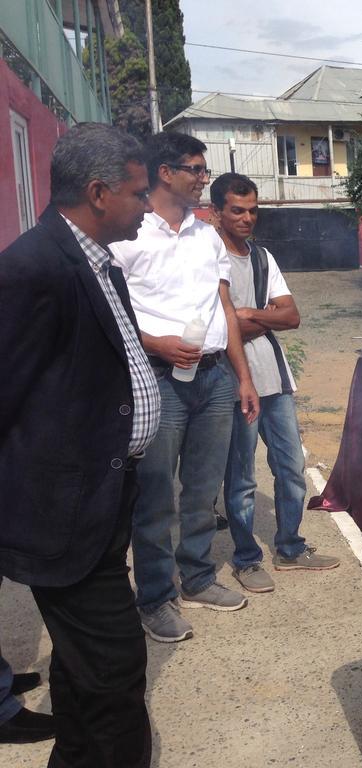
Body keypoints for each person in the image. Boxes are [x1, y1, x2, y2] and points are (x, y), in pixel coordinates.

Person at [0, 122, 157, 765]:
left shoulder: (100, 263)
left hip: (104, 500)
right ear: (98, 192)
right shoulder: (32, 269)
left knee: (82, 664)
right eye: (139, 193)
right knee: (117, 674)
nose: (148, 206)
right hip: (61, 515)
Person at [110, 132, 260, 643]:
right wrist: (157, 344)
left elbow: (225, 309)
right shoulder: (129, 234)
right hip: (159, 380)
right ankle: (154, 597)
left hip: (215, 378)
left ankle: (196, 577)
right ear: (165, 173)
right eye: (195, 169)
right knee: (155, 496)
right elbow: (115, 316)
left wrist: (243, 377)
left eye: (203, 169)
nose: (203, 178)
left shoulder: (206, 236)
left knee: (202, 488)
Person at [210, 172, 340, 592]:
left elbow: (292, 316)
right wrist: (248, 318)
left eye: (252, 210)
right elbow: (216, 322)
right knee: (243, 477)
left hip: (275, 379)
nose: (247, 218)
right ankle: (246, 559)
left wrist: (246, 316)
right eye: (237, 210)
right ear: (217, 212)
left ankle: (290, 547)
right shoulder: (208, 258)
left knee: (291, 467)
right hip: (232, 383)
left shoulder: (263, 258)